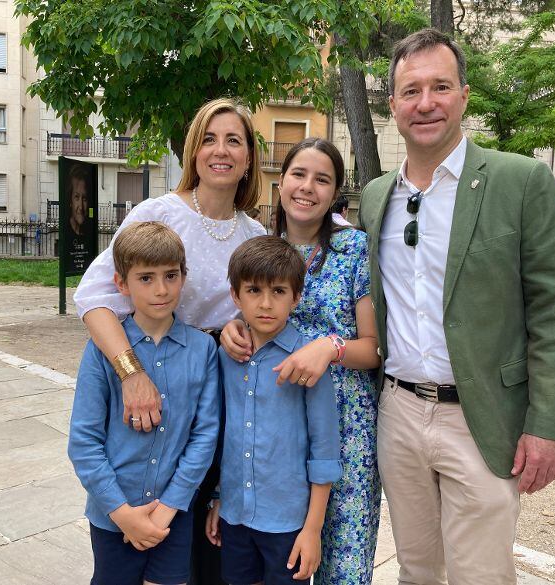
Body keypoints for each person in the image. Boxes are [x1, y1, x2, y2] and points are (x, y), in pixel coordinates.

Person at [357, 29, 555, 584]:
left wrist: (547, 426)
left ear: (464, 95)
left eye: (440, 87)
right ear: (393, 105)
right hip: (399, 413)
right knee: (416, 571)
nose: (425, 103)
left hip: (481, 418)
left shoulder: (520, 181)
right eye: (411, 91)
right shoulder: (376, 195)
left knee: (481, 575)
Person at [73, 97, 265, 585]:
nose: (220, 151)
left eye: (234, 141)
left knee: (205, 546)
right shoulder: (158, 214)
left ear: (248, 157)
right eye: (209, 139)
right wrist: (130, 372)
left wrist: (242, 330)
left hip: (220, 394)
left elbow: (260, 312)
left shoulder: (255, 233)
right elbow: (94, 296)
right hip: (155, 378)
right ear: (193, 150)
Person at [221, 138, 382, 584]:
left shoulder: (355, 250)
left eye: (322, 179)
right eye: (298, 174)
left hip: (345, 427)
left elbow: (374, 348)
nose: (308, 187)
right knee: (281, 561)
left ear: (335, 193)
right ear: (281, 183)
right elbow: (249, 310)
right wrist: (231, 328)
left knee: (342, 563)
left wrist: (330, 348)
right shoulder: (261, 245)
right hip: (278, 427)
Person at [68, 221, 220, 585]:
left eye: (171, 276)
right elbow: (84, 442)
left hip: (174, 514)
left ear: (184, 277)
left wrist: (169, 507)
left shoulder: (203, 350)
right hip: (113, 516)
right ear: (122, 284)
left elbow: (205, 436)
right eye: (146, 278)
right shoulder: (102, 351)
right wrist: (122, 513)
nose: (161, 289)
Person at [207, 236, 342, 585]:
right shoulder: (226, 356)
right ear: (235, 295)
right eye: (254, 290)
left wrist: (312, 530)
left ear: (295, 297)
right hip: (235, 516)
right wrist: (220, 497)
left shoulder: (308, 361)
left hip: (287, 522)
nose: (266, 303)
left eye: (279, 291)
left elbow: (325, 450)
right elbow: (224, 435)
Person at [68, 163, 90, 236]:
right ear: (70, 201)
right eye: (76, 197)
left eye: (84, 199)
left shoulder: (88, 232)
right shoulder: (66, 232)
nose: (81, 207)